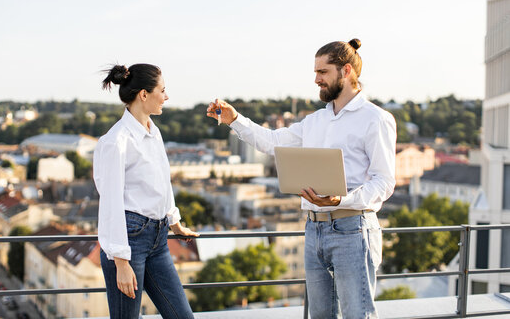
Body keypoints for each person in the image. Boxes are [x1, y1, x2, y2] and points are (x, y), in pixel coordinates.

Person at [207, 39, 396, 319]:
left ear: (346, 71)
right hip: (313, 230)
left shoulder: (375, 119)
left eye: (323, 72)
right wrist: (235, 119)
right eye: (316, 72)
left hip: (353, 230)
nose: (317, 79)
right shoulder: (315, 121)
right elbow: (271, 142)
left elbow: (384, 182)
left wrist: (342, 199)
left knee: (358, 315)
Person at [94, 63, 198, 319]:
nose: (166, 96)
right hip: (129, 242)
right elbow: (110, 204)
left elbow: (162, 181)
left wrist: (174, 221)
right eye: (162, 90)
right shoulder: (115, 141)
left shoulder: (154, 131)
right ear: (143, 94)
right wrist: (120, 261)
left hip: (158, 240)